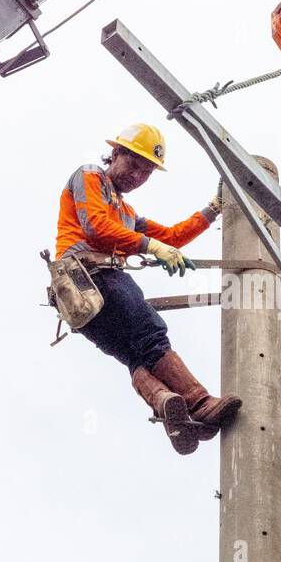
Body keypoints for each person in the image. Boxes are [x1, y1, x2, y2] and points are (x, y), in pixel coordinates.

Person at [55, 123, 242, 455]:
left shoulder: (127, 214)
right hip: (92, 275)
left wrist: (212, 210)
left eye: (146, 172)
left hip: (77, 303)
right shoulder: (91, 177)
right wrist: (150, 248)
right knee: (152, 335)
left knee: (135, 356)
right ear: (116, 153)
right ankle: (198, 402)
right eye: (134, 164)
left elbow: (169, 237)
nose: (137, 176)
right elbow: (95, 225)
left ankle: (167, 403)